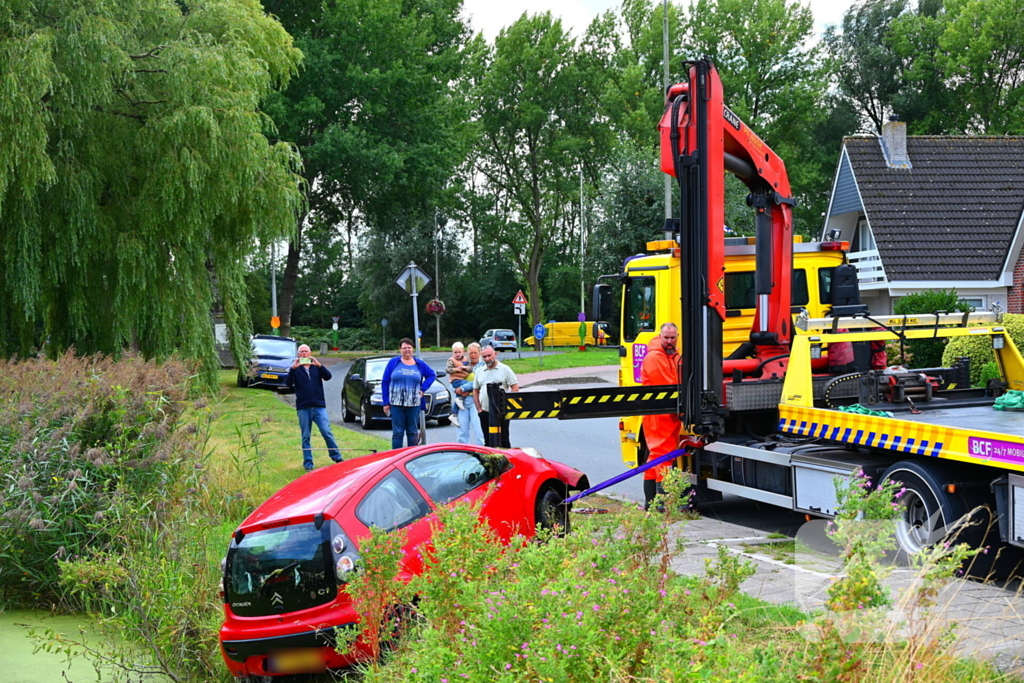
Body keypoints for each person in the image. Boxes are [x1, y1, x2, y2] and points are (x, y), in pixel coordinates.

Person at [640, 322, 682, 510]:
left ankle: (652, 502)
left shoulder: (673, 355)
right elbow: (668, 385)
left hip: (667, 412)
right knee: (663, 455)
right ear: (660, 336)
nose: (669, 341)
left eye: (673, 337)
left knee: (658, 456)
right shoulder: (655, 357)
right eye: (666, 337)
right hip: (659, 412)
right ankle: (661, 504)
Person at [286, 344, 343, 472]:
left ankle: (336, 457)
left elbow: (328, 377)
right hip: (303, 407)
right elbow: (287, 383)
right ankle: (308, 463)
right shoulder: (296, 369)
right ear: (298, 354)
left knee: (326, 432)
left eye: (306, 352)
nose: (304, 354)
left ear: (310, 353)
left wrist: (319, 365)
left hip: (318, 405)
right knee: (306, 436)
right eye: (302, 352)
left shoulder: (315, 368)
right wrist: (293, 369)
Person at [381, 338, 437, 449]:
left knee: (412, 432)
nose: (407, 350)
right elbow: (385, 382)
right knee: (397, 432)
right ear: (400, 349)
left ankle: (411, 457)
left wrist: (423, 388)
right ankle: (396, 457)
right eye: (404, 348)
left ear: (413, 349)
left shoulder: (419, 363)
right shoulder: (393, 363)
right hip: (396, 404)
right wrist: (386, 402)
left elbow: (432, 375)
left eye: (409, 348)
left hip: (414, 404)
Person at [473, 345, 519, 448]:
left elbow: (515, 388)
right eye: (484, 356)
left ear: (495, 354)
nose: (487, 359)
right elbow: (475, 391)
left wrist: (507, 406)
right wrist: (479, 409)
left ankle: (507, 461)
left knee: (504, 440)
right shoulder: (479, 371)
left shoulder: (505, 369)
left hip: (501, 413)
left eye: (489, 355)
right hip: (485, 412)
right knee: (488, 440)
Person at [455, 343, 485, 445]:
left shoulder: (482, 366)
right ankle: (463, 454)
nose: (473, 355)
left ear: (480, 353)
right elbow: (454, 380)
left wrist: (463, 388)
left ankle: (482, 452)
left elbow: (478, 382)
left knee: (479, 430)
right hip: (462, 401)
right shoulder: (463, 364)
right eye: (471, 353)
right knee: (462, 430)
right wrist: (457, 390)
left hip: (476, 401)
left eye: (475, 353)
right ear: (467, 353)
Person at [445, 342, 469, 428]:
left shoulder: (466, 359)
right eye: (455, 352)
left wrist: (466, 368)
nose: (457, 354)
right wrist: (456, 369)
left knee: (457, 399)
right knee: (469, 385)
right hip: (456, 381)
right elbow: (448, 370)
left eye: (459, 352)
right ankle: (461, 398)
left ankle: (454, 414)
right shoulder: (451, 360)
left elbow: (470, 368)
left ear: (463, 351)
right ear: (452, 352)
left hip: (462, 379)